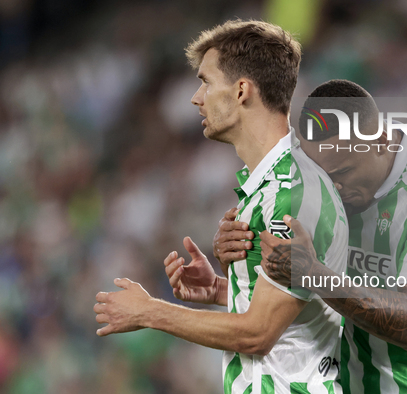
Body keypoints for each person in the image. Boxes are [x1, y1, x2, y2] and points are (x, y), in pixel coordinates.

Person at [94, 20, 349, 394]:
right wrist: (220, 289)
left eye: (206, 82)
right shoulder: (265, 187)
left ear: (242, 90)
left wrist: (150, 311)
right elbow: (297, 306)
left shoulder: (293, 191)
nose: (197, 98)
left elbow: (259, 333)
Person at [214, 80, 407, 393]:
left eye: (342, 173)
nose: (333, 189)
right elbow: (311, 294)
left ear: (381, 139)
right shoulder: (317, 189)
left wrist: (313, 274)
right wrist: (232, 265)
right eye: (322, 175)